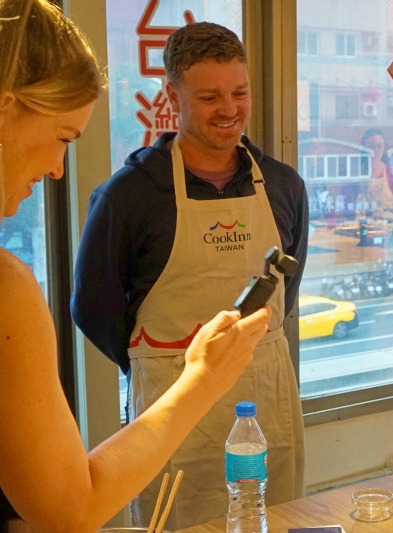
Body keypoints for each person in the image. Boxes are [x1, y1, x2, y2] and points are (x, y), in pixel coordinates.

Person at [0, 2, 271, 532]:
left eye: (238, 93)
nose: (58, 170)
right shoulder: (11, 286)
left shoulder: (282, 183)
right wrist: (198, 376)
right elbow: (67, 511)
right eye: (63, 138)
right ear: (5, 109)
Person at [70, 22, 308, 530]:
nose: (229, 109)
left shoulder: (285, 187)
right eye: (209, 97)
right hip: (171, 405)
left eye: (239, 92)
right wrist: (158, 359)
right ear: (171, 94)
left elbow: (286, 292)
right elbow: (93, 309)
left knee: (276, 518)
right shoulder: (129, 197)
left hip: (266, 396)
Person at [360, 128, 393, 237]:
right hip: (363, 230)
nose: (375, 150)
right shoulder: (356, 174)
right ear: (363, 147)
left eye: (379, 146)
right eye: (370, 146)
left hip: (388, 229)